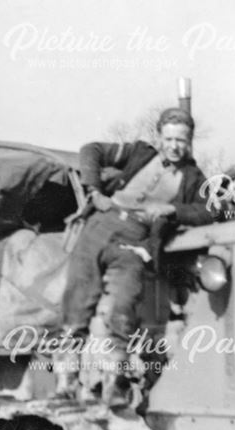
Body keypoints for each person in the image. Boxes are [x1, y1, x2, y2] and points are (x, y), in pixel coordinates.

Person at [55, 107, 216, 402]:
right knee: (78, 301)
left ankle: (115, 384)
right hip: (100, 226)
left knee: (123, 307)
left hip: (136, 241)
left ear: (190, 140)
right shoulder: (139, 153)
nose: (174, 146)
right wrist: (94, 191)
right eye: (169, 138)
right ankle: (65, 380)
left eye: (181, 139)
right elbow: (90, 150)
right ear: (160, 136)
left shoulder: (194, 178)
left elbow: (209, 210)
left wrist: (173, 210)